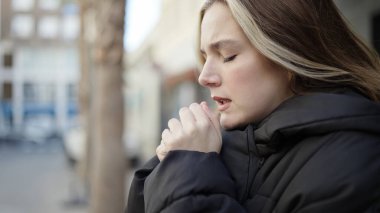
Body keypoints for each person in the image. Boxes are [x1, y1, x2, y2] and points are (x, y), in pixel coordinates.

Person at [126, 0, 380, 212]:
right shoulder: (222, 142)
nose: (204, 76)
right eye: (204, 57)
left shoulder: (352, 165)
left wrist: (186, 171)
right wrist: (164, 167)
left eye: (227, 55)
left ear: (289, 55)